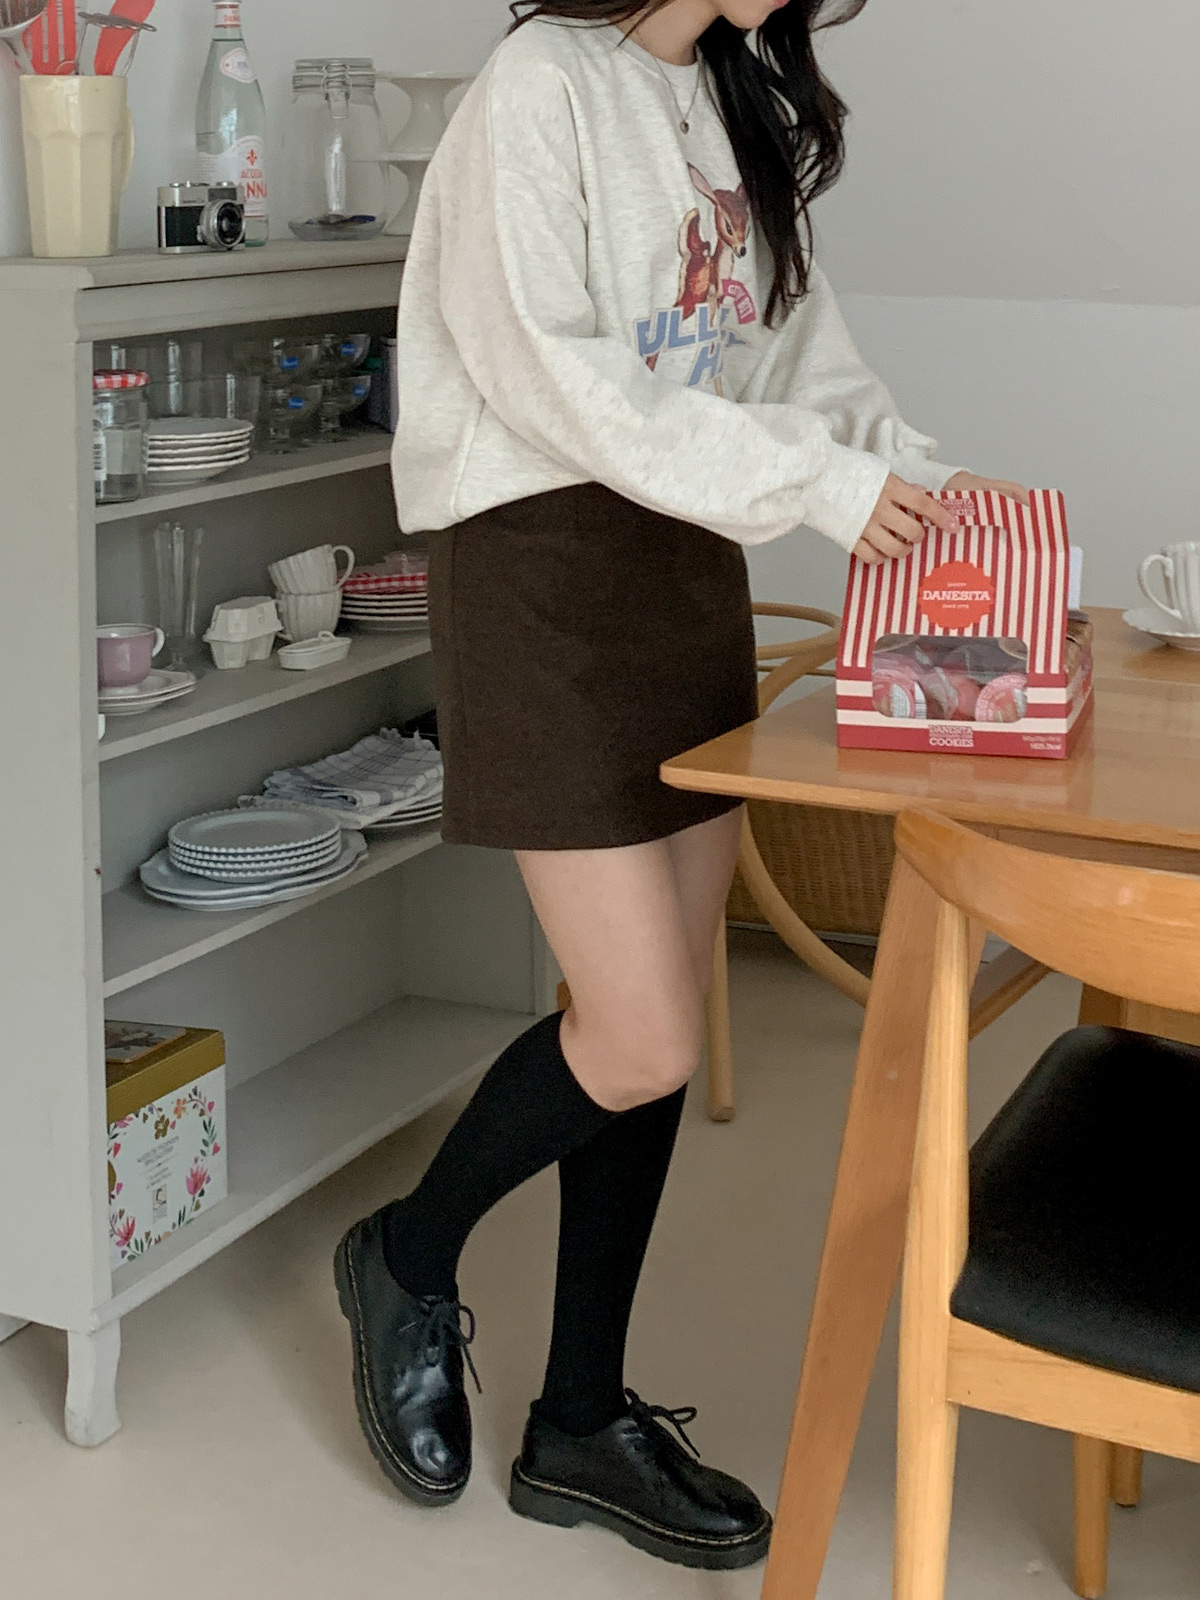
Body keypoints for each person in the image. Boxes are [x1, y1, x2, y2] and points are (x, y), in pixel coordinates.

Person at [336, 0, 1028, 1571]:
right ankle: (406, 1251)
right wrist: (824, 487)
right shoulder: (538, 84)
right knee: (639, 1031)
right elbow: (553, 376)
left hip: (684, 571)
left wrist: (918, 478)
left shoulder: (734, 106)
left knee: (648, 1038)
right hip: (543, 571)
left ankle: (579, 1418)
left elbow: (801, 363)